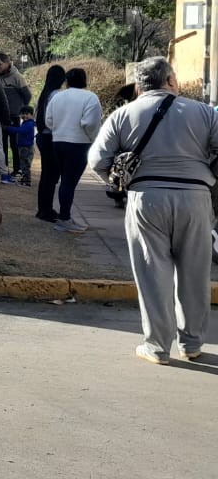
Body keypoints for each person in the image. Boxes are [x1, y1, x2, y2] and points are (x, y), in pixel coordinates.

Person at [88, 57, 217, 365]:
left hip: (145, 197)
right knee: (195, 274)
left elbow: (96, 160)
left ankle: (157, 347)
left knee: (152, 273)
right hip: (195, 198)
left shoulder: (123, 114)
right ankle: (192, 343)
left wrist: (119, 180)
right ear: (171, 81)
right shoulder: (203, 112)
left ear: (138, 86)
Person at [44, 68, 102, 233]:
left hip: (58, 142)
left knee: (65, 180)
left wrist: (59, 129)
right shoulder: (90, 98)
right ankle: (64, 218)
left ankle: (65, 216)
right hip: (78, 143)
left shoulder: (57, 97)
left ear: (67, 80)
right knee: (69, 182)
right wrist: (92, 138)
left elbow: (48, 120)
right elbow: (90, 123)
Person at [33, 65, 67, 222]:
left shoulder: (44, 94)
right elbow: (56, 119)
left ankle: (43, 209)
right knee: (52, 176)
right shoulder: (57, 95)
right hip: (51, 137)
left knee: (46, 176)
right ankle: (46, 210)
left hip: (42, 136)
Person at [0, 53, 32, 177]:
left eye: (0, 64)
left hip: (14, 115)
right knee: (1, 143)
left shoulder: (17, 77)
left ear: (7, 63)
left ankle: (17, 169)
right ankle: (2, 168)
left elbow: (27, 95)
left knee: (14, 143)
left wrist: (20, 111)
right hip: (1, 115)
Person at [5, 105, 36, 186]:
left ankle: (27, 182)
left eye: (27, 114)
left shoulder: (29, 124)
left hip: (26, 148)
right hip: (23, 146)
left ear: (31, 115)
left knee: (25, 165)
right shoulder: (26, 123)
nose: (24, 116)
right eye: (22, 114)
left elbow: (21, 130)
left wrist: (8, 128)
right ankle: (24, 180)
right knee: (23, 165)